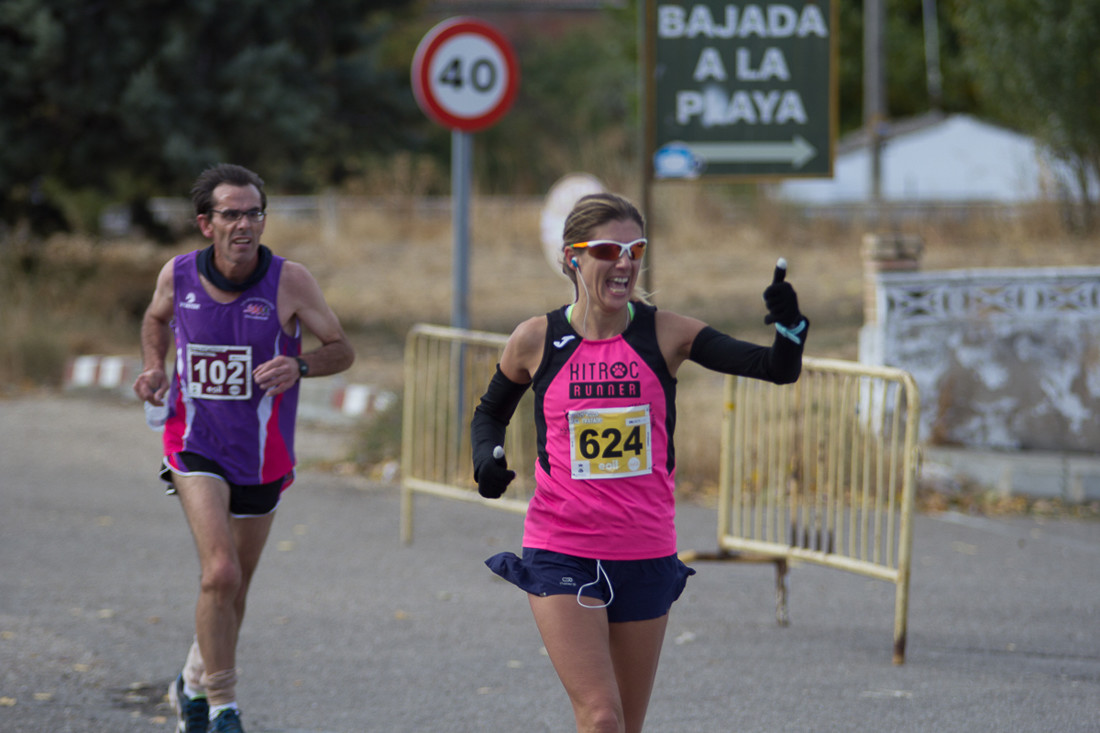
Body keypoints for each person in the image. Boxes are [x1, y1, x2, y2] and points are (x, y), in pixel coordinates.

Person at [469, 193, 807, 733]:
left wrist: (790, 327)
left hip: (644, 550)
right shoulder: (536, 339)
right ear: (571, 257)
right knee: (601, 716)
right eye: (608, 249)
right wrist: (486, 459)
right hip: (563, 549)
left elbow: (774, 368)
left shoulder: (666, 334)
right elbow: (490, 412)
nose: (624, 262)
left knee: (625, 726)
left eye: (635, 249)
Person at [132, 164, 355, 733]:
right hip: (194, 444)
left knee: (237, 586)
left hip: (262, 456)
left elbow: (341, 350)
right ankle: (221, 705)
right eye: (230, 214)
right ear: (206, 223)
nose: (244, 225)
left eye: (254, 213)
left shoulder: (289, 282)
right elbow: (155, 320)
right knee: (221, 572)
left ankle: (190, 681)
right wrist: (154, 368)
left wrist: (299, 364)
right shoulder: (177, 275)